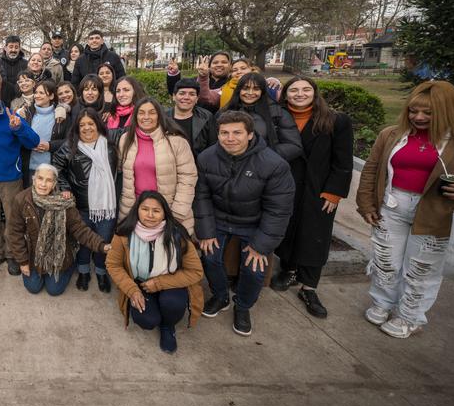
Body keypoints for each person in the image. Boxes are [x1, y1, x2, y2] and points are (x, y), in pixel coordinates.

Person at [356, 80, 454, 338]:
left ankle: (409, 316)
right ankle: (383, 303)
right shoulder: (391, 134)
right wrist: (366, 203)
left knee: (420, 269)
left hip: (434, 214)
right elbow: (372, 168)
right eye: (413, 111)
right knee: (386, 261)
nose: (418, 117)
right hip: (392, 206)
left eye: (428, 112)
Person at [195, 111, 295, 336]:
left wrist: (261, 245)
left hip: (253, 222)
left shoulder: (274, 164)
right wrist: (206, 231)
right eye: (224, 133)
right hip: (219, 219)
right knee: (209, 257)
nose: (230, 138)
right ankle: (221, 297)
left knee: (254, 267)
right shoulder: (206, 158)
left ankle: (243, 306)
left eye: (237, 133)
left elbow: (278, 210)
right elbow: (201, 197)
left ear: (250, 134)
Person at [271, 76, 354, 318]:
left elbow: (343, 160)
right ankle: (288, 269)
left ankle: (309, 287)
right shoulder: (277, 118)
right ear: (285, 95)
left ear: (315, 93)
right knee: (287, 229)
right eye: (293, 90)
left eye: (306, 89)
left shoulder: (335, 121)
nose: (299, 94)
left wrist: (335, 191)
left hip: (318, 188)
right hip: (285, 185)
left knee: (315, 234)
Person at [106, 191, 204, 353]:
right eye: (145, 209)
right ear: (137, 210)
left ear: (164, 213)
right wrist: (132, 291)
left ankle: (167, 326)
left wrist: (159, 283)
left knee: (172, 304)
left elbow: (195, 271)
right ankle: (154, 313)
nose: (150, 215)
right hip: (140, 284)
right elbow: (113, 264)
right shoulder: (124, 233)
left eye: (156, 211)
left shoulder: (177, 234)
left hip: (171, 282)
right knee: (147, 320)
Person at [7, 163, 110, 296]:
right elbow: (15, 233)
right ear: (33, 178)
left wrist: (101, 245)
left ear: (55, 183)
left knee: (54, 290)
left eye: (49, 180)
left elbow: (80, 229)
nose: (43, 184)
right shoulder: (21, 199)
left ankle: (70, 262)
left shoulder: (63, 202)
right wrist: (23, 261)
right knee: (33, 287)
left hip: (58, 254)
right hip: (33, 255)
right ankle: (40, 269)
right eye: (40, 178)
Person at [0, 83, 40, 274]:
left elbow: (33, 141)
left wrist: (19, 128)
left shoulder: (12, 116)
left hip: (10, 178)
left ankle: (12, 255)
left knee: (13, 219)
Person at [53, 109, 120, 292]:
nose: (87, 128)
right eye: (82, 125)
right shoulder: (70, 146)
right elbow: (56, 167)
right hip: (81, 206)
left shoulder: (110, 146)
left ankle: (100, 271)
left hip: (107, 206)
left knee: (103, 240)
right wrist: (65, 187)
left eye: (91, 123)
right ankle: (83, 271)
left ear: (98, 124)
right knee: (83, 240)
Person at [116, 98, 197, 233]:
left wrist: (176, 213)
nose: (146, 117)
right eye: (141, 113)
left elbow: (188, 179)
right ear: (135, 116)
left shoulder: (176, 141)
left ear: (159, 115)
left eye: (152, 113)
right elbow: (120, 173)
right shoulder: (126, 139)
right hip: (133, 212)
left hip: (169, 212)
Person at [218, 73, 302, 162]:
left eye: (256, 89)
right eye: (245, 88)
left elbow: (294, 145)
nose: (250, 93)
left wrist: (261, 157)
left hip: (265, 166)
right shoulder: (224, 112)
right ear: (239, 90)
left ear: (262, 91)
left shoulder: (278, 113)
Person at [18, 80, 68, 184]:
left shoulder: (60, 115)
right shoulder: (26, 114)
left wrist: (49, 146)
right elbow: (18, 138)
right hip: (30, 168)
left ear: (51, 96)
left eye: (41, 93)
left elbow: (68, 141)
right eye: (36, 92)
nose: (37, 95)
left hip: (52, 168)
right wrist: (29, 144)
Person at [165, 78, 213, 161]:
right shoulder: (163, 117)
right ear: (174, 96)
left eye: (192, 94)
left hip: (199, 167)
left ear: (197, 98)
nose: (186, 97)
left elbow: (213, 146)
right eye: (182, 93)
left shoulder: (206, 117)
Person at [166, 52, 231, 112]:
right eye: (215, 62)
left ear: (230, 66)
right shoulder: (196, 80)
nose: (219, 65)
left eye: (224, 62)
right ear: (209, 65)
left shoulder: (232, 84)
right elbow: (176, 91)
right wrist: (174, 74)